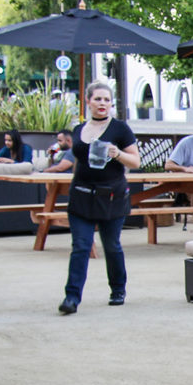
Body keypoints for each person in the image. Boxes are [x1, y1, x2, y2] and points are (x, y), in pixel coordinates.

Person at [59, 81, 141, 314]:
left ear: (111, 103)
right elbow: (77, 162)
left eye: (106, 100)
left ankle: (117, 289)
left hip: (112, 195)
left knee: (112, 245)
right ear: (88, 101)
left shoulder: (120, 129)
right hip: (82, 195)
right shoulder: (78, 130)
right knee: (81, 246)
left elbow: (135, 161)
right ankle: (71, 298)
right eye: (98, 99)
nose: (102, 104)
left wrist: (118, 153)